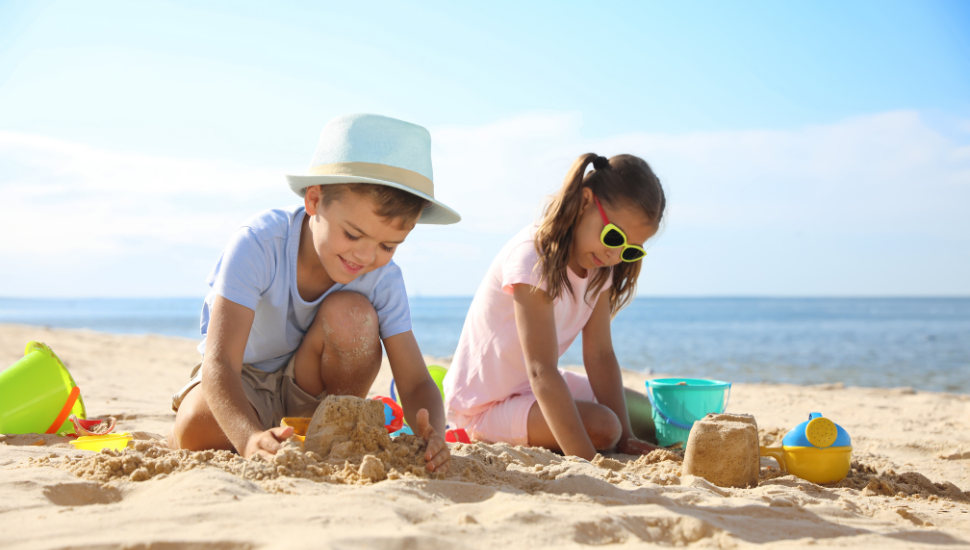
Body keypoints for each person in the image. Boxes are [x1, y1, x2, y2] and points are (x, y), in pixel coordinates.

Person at [171, 113, 460, 474]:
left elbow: (417, 382)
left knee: (352, 314)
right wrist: (247, 439)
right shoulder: (259, 244)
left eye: (388, 245)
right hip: (242, 378)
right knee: (194, 428)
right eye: (353, 235)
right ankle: (262, 434)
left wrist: (434, 434)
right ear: (314, 200)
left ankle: (334, 429)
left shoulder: (383, 278)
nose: (367, 257)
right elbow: (221, 364)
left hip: (317, 396)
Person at [443, 153, 665, 460]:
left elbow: (600, 355)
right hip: (485, 404)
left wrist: (628, 438)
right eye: (613, 237)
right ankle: (487, 430)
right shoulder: (532, 259)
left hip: (534, 387)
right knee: (605, 427)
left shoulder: (600, 268)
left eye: (629, 251)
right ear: (585, 201)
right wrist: (591, 463)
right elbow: (541, 371)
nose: (615, 255)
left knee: (646, 415)